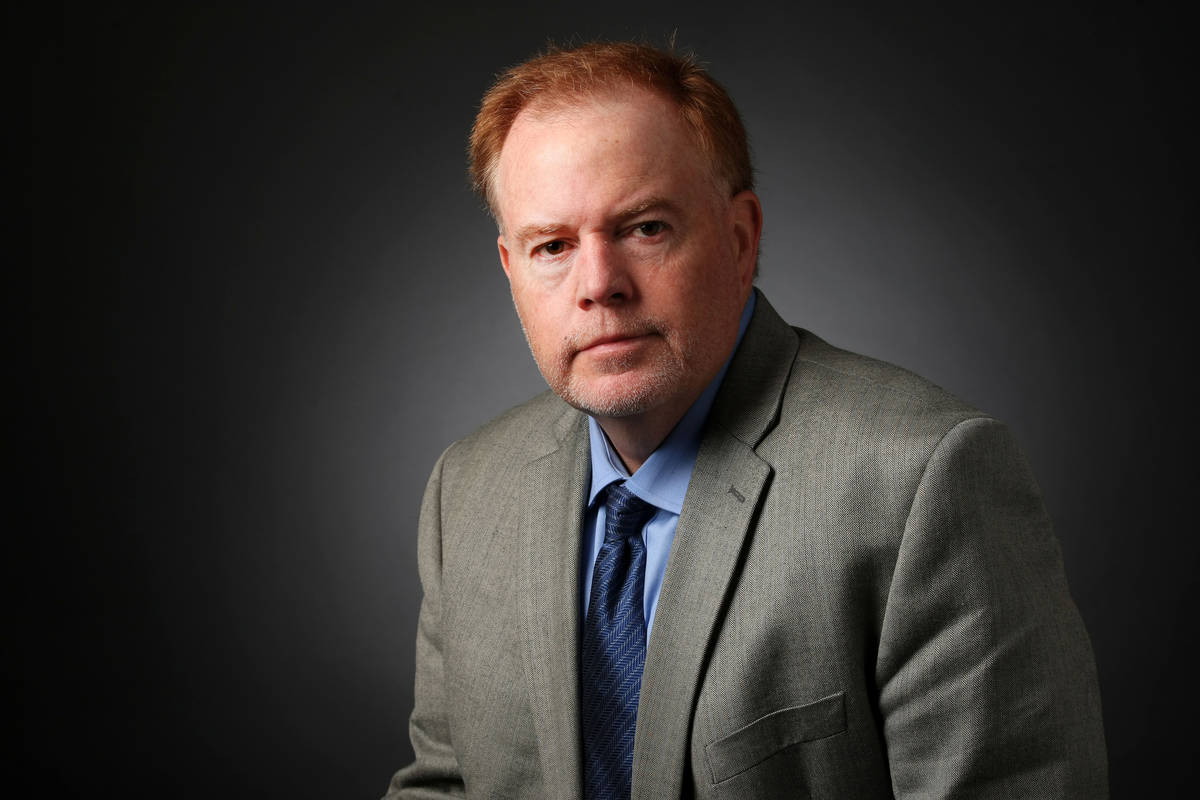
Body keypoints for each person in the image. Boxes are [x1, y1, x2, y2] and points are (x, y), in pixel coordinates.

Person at [383, 41, 1107, 799]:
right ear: (511, 269)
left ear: (739, 239)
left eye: (645, 228)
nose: (598, 285)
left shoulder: (924, 482)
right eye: (553, 246)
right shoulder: (465, 492)